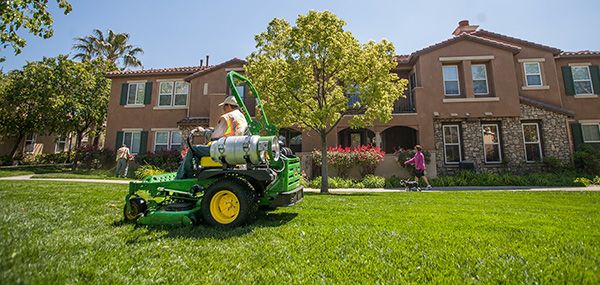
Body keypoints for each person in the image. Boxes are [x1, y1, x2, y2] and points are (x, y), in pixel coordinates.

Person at [175, 95, 248, 179]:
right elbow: (229, 132)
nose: (223, 109)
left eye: (224, 106)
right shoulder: (241, 117)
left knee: (193, 149)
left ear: (228, 105)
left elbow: (214, 137)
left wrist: (203, 131)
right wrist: (213, 129)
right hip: (234, 149)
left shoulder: (228, 116)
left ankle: (182, 177)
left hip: (223, 149)